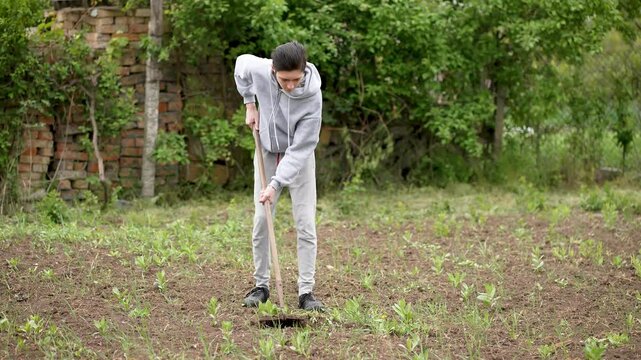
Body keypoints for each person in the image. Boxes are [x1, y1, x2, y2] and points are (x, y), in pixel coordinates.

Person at [234, 41, 324, 311]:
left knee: (305, 223)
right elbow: (241, 65)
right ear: (273, 70)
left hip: (299, 159)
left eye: (296, 79)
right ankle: (261, 286)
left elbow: (302, 148)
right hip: (266, 153)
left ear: (304, 70)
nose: (290, 85)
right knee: (262, 220)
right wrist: (250, 103)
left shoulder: (312, 96)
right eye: (284, 79)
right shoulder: (261, 69)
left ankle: (306, 292)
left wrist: (275, 184)